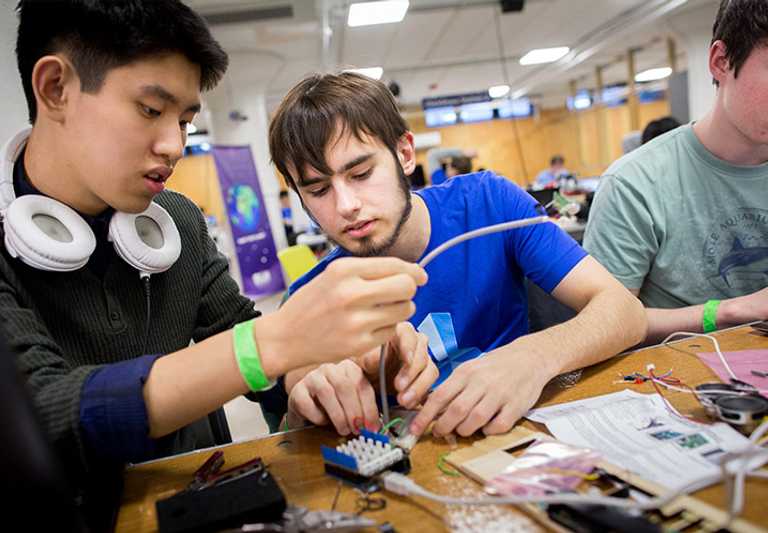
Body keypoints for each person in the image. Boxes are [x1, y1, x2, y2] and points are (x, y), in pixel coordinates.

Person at [1, 0, 427, 503]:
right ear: (55, 88)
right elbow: (45, 416)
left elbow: (238, 335)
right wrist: (276, 341)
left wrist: (318, 370)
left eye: (183, 120)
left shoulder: (175, 219)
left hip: (204, 492)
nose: (175, 145)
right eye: (151, 110)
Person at [268, 72, 646, 438]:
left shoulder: (489, 203)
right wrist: (308, 403)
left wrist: (535, 356)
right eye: (318, 190)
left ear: (404, 153)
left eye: (362, 173)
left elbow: (625, 311)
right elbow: (295, 408)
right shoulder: (309, 297)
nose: (347, 205)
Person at [584, 0, 768, 345]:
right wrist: (734, 310)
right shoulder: (635, 184)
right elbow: (598, 326)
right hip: (681, 382)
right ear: (721, 62)